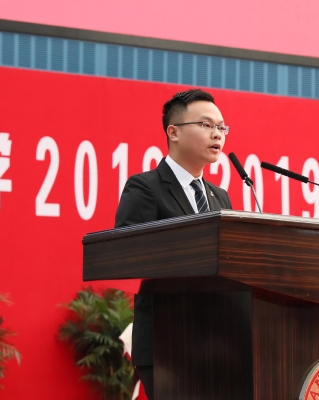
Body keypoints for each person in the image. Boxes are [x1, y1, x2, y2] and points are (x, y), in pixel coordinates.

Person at [115, 88, 232, 399]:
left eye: (221, 127)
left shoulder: (220, 197)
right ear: (174, 132)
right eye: (206, 125)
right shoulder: (145, 187)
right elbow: (125, 254)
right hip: (167, 338)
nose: (217, 134)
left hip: (219, 341)